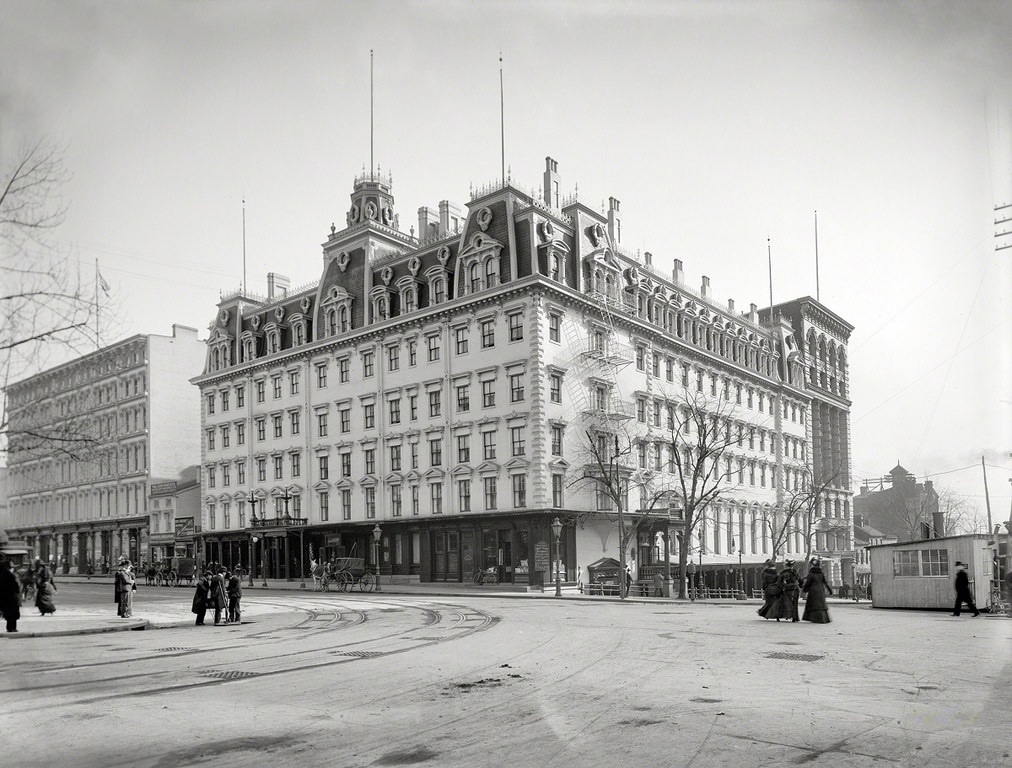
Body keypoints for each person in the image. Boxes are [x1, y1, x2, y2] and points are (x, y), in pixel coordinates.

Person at [801, 557, 833, 623]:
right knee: (821, 605)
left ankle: (814, 618)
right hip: (821, 591)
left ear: (812, 565)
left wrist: (804, 590)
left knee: (814, 605)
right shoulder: (821, 573)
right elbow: (825, 582)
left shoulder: (811, 574)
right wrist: (830, 590)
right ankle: (823, 618)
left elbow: (808, 583)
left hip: (813, 591)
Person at [0, 559, 21, 632]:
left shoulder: (3, 574)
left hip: (4, 596)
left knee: (7, 613)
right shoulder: (9, 575)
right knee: (13, 612)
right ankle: (12, 627)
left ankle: (9, 627)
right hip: (11, 596)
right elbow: (14, 585)